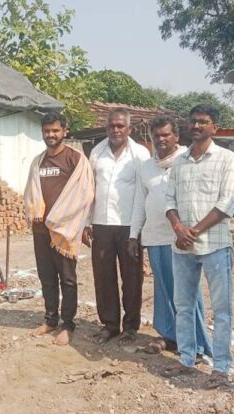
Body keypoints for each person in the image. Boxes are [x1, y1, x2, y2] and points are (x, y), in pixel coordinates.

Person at [162, 104, 234, 390]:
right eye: (193, 121)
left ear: (214, 128)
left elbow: (227, 202)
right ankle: (186, 358)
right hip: (183, 246)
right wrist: (178, 228)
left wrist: (192, 231)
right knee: (183, 305)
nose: (196, 126)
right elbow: (169, 200)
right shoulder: (179, 162)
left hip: (215, 245)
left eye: (203, 122)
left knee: (222, 310)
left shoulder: (226, 158)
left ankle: (220, 367)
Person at [128, 115, 212, 358]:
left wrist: (193, 231)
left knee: (186, 293)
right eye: (156, 136)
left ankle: (196, 345)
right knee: (164, 290)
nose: (161, 139)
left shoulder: (188, 160)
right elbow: (140, 202)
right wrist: (134, 235)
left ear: (176, 136)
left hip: (181, 239)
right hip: (155, 237)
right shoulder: (146, 166)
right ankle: (171, 337)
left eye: (166, 135)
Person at [24, 112, 94, 346]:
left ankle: (68, 325)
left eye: (55, 130)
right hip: (41, 230)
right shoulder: (38, 161)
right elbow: (30, 192)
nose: (51, 135)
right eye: (47, 131)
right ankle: (50, 319)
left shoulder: (76, 160)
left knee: (68, 279)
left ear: (65, 131)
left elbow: (84, 194)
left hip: (65, 231)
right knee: (46, 277)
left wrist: (65, 220)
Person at [85, 108, 151, 345]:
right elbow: (89, 189)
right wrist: (86, 222)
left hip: (129, 227)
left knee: (132, 279)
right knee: (103, 277)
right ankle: (110, 325)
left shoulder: (140, 154)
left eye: (120, 126)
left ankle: (131, 326)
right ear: (106, 128)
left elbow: (143, 193)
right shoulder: (97, 152)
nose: (115, 130)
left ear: (129, 129)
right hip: (101, 224)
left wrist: (136, 232)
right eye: (112, 126)